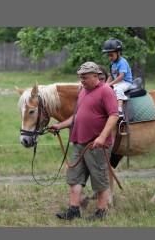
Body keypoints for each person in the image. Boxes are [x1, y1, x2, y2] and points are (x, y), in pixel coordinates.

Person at [49, 61, 119, 221]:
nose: (82, 80)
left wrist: (102, 137)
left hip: (96, 145)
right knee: (74, 176)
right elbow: (78, 116)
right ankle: (74, 210)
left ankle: (101, 212)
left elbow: (114, 115)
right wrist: (60, 126)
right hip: (79, 142)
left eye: (85, 77)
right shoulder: (83, 92)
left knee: (99, 178)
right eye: (80, 77)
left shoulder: (106, 91)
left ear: (96, 76)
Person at [102, 38, 133, 118]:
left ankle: (119, 110)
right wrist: (105, 85)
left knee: (118, 89)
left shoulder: (122, 62)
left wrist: (110, 84)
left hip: (126, 82)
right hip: (118, 82)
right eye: (108, 55)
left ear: (118, 53)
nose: (109, 58)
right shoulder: (113, 63)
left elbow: (121, 76)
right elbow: (111, 76)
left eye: (111, 55)